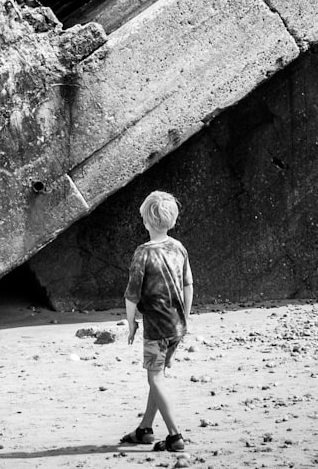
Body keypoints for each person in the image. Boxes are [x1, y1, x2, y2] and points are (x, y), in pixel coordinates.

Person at [119, 190, 194, 452]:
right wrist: (186, 317)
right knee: (158, 374)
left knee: (155, 378)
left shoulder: (142, 254)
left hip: (155, 330)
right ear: (171, 220)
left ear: (146, 222)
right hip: (177, 326)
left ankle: (175, 435)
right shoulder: (178, 248)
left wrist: (131, 324)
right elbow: (188, 284)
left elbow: (131, 296)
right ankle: (145, 429)